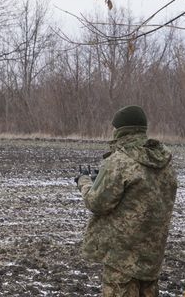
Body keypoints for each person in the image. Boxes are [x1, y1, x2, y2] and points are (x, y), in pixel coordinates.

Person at [76, 105, 178, 297]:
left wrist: (85, 182)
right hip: (151, 258)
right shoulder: (164, 161)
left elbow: (96, 203)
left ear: (120, 130)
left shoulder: (120, 161)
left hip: (122, 260)